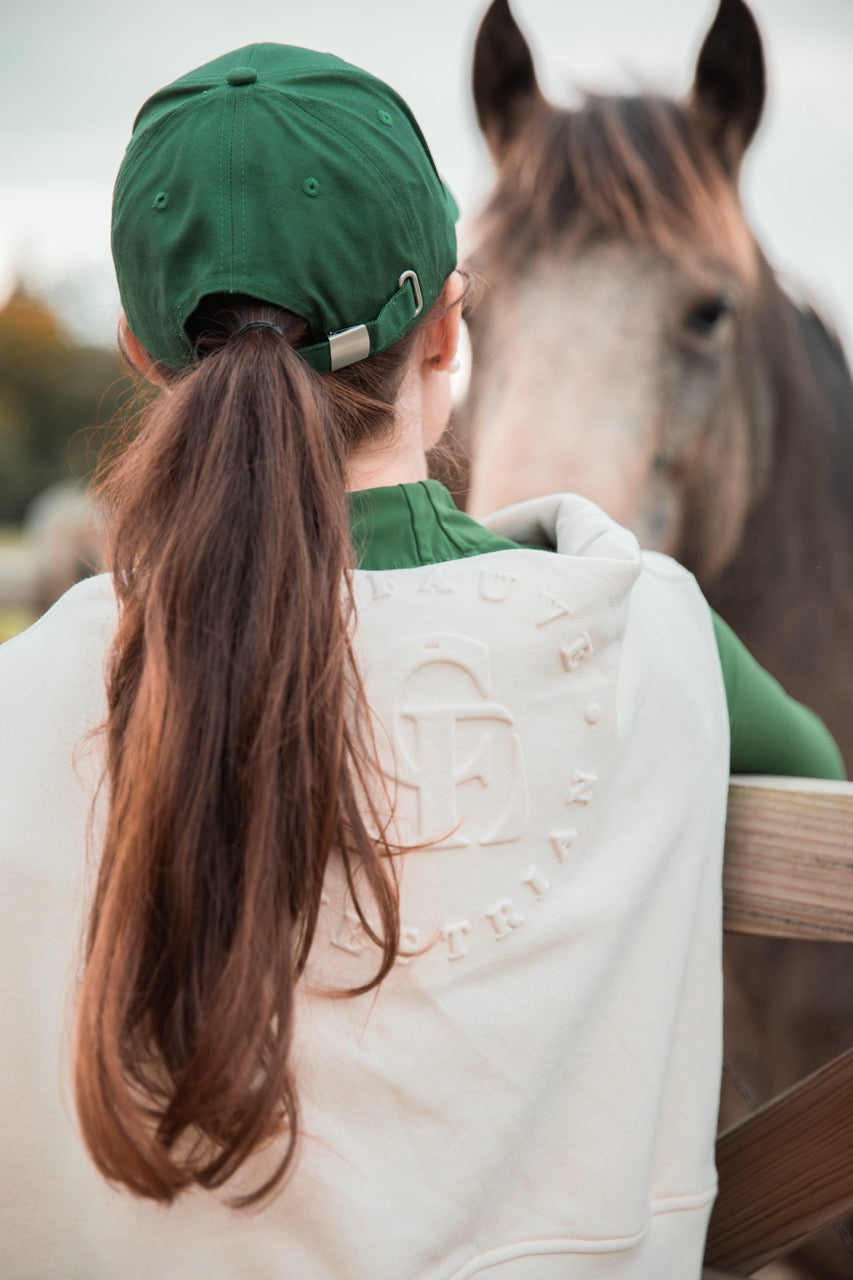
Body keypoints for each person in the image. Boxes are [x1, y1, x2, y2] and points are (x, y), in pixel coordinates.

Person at [0, 41, 843, 1280]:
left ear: (140, 354)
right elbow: (812, 770)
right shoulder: (649, 629)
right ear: (449, 329)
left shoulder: (31, 690)